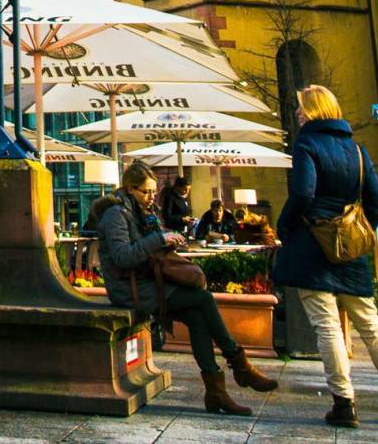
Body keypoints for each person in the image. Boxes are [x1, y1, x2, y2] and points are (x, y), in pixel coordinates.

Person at [273, 83, 378, 429]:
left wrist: (286, 226)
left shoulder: (307, 143)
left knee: (326, 326)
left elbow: (303, 192)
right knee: (370, 325)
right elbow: (377, 204)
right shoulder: (356, 150)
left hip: (312, 243)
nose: (297, 112)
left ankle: (344, 402)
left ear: (313, 111)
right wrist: (355, 232)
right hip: (349, 250)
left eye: (301, 107)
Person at [94, 160, 278, 416]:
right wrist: (158, 239)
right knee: (202, 299)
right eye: (145, 192)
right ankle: (238, 363)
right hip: (130, 289)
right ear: (130, 188)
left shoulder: (140, 211)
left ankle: (216, 392)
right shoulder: (116, 214)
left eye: (153, 191)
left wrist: (166, 240)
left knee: (197, 317)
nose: (151, 197)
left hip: (148, 282)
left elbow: (146, 248)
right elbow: (123, 256)